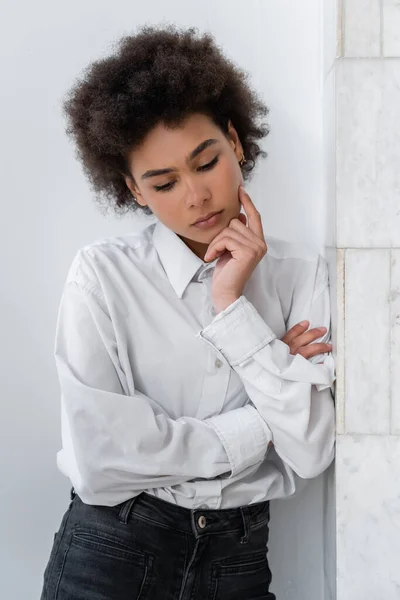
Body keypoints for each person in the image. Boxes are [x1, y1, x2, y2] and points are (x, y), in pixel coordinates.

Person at [40, 24, 335, 600]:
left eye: (205, 163)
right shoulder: (103, 276)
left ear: (235, 142)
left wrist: (230, 306)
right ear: (134, 191)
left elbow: (312, 449)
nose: (196, 196)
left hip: (239, 559)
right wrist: (262, 419)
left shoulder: (300, 272)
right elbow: (102, 461)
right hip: (112, 551)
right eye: (164, 181)